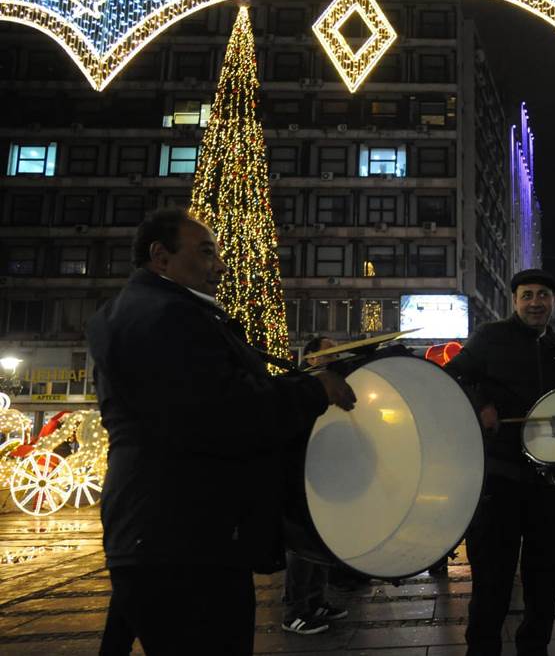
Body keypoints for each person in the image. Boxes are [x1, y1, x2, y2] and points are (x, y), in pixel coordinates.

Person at [88, 209, 356, 655]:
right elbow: (227, 410)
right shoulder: (166, 316)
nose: (221, 266)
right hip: (189, 539)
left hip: (162, 532)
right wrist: (314, 390)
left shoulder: (143, 311)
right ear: (161, 256)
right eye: (206, 252)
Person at [444, 269, 555, 656]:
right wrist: (481, 405)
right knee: (492, 580)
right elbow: (453, 375)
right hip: (497, 478)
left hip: (545, 482)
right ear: (515, 301)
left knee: (545, 580)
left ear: (554, 302)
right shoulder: (490, 336)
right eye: (527, 295)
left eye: (543, 295)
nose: (535, 302)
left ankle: (534, 649)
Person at [280, 336, 351, 635]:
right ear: (310, 358)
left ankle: (316, 600)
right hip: (301, 477)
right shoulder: (298, 387)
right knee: (302, 547)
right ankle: (295, 612)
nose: (334, 357)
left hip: (325, 474)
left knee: (321, 542)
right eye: (328, 352)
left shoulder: (332, 387)